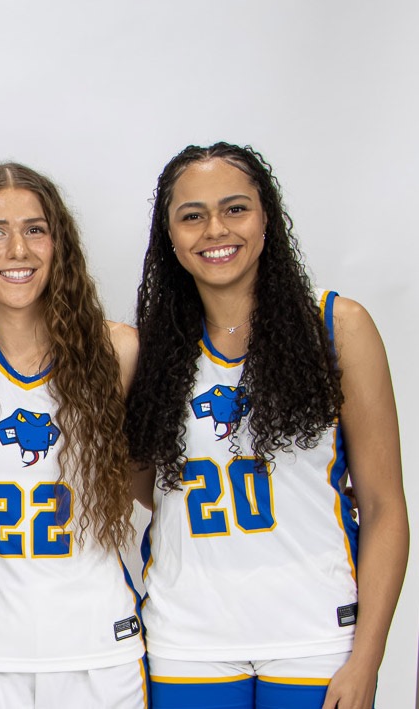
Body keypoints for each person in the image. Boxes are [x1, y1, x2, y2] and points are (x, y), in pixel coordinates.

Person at [125, 142, 409, 709]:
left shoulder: (337, 327)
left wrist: (368, 659)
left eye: (235, 208)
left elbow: (384, 509)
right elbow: (146, 485)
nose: (214, 230)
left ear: (265, 218)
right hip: (187, 636)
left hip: (316, 634)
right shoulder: (150, 351)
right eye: (191, 215)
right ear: (170, 236)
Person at [0, 163, 146, 707]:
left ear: (59, 244)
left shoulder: (116, 351)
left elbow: (160, 484)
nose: (17, 250)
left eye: (35, 229)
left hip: (100, 650)